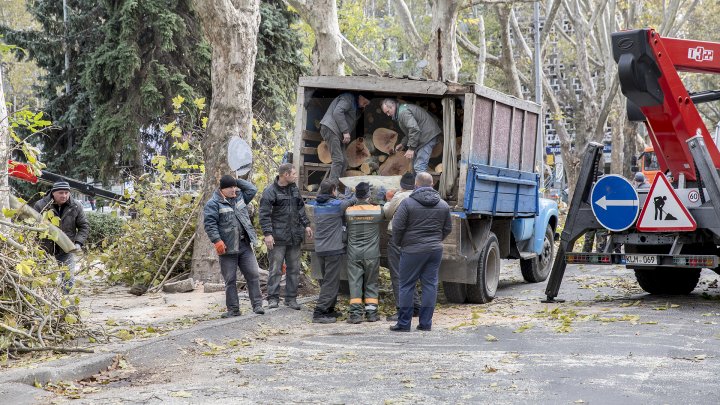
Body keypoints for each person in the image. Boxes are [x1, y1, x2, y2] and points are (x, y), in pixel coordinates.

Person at [390, 172, 452, 332]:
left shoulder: (407, 203)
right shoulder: (443, 205)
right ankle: (425, 324)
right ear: (432, 185)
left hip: (412, 250)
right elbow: (447, 229)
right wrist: (436, 240)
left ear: (416, 185)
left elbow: (397, 227)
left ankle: (404, 324)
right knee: (430, 285)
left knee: (406, 285)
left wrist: (400, 243)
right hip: (434, 250)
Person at [203, 175, 265, 318]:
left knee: (253, 274)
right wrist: (217, 241)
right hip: (227, 248)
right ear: (222, 189)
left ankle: (257, 305)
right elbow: (210, 225)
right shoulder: (213, 204)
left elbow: (252, 189)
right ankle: (233, 310)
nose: (234, 189)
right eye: (230, 187)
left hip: (244, 245)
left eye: (234, 186)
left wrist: (236, 181)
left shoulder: (240, 197)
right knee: (230, 280)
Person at [259, 163, 313, 310]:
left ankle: (291, 299)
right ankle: (273, 299)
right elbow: (264, 214)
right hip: (277, 238)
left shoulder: (294, 189)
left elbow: (300, 208)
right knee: (275, 269)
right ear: (285, 175)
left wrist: (306, 225)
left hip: (294, 237)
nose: (296, 176)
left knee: (294, 269)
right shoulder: (270, 191)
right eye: (294, 173)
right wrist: (268, 234)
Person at [308, 180, 356, 324]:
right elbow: (352, 201)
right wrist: (353, 191)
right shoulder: (336, 206)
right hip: (333, 249)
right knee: (331, 282)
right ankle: (319, 312)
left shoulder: (316, 205)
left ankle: (329, 309)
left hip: (320, 249)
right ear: (333, 191)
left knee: (327, 281)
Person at [33, 181, 90, 292]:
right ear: (53, 193)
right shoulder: (41, 205)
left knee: (68, 277)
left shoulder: (76, 206)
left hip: (65, 247)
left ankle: (67, 302)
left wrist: (78, 243)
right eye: (61, 193)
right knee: (37, 274)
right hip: (43, 247)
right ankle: (37, 298)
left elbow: (84, 226)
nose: (64, 195)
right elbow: (32, 225)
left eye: (66, 193)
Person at [383, 172, 421, 322]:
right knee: (411, 274)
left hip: (398, 239)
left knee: (398, 275)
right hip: (415, 240)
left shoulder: (400, 197)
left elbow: (387, 213)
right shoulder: (421, 196)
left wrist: (387, 201)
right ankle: (416, 306)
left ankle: (402, 309)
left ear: (402, 185)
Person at [345, 182, 383, 323]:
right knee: (371, 283)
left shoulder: (349, 211)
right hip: (371, 254)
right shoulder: (377, 211)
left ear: (356, 195)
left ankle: (355, 315)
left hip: (354, 254)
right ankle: (372, 314)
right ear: (368, 195)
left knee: (354, 284)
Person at [320, 93, 371, 184]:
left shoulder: (356, 107)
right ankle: (331, 190)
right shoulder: (348, 98)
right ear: (360, 97)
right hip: (331, 129)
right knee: (338, 160)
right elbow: (337, 112)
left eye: (367, 104)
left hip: (337, 133)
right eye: (365, 102)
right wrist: (345, 131)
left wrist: (360, 111)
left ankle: (337, 188)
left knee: (344, 162)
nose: (365, 105)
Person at [381, 98, 442, 173]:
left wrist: (411, 148)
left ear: (392, 106)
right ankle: (416, 184)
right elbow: (410, 133)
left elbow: (414, 129)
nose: (388, 114)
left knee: (419, 167)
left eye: (388, 111)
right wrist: (402, 144)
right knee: (413, 166)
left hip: (428, 136)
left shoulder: (403, 113)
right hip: (424, 136)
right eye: (386, 113)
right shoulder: (401, 112)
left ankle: (423, 185)